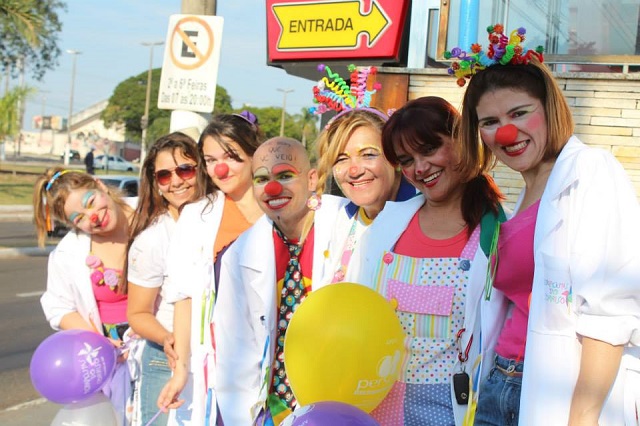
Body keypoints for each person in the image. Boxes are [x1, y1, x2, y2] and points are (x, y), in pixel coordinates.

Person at [454, 24, 640, 425]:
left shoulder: (590, 172)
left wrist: (582, 418)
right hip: (500, 384)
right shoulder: (526, 191)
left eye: (519, 113)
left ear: (548, 109)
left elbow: (611, 314)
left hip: (555, 392)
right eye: (489, 122)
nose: (506, 131)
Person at [348, 96, 505, 425]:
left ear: (460, 141)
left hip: (454, 410)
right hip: (374, 404)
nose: (420, 168)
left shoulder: (498, 232)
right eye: (406, 160)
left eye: (430, 149)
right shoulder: (385, 228)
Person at [211, 137, 349, 425]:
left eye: (285, 175)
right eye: (262, 179)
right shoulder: (239, 253)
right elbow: (234, 352)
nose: (272, 189)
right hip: (273, 408)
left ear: (312, 179)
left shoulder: (349, 225)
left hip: (341, 401)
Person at [157, 112, 264, 425]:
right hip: (221, 364)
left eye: (231, 156)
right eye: (210, 158)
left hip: (276, 358)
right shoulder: (197, 217)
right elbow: (184, 297)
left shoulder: (281, 209)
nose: (220, 168)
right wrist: (180, 373)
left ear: (254, 153)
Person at [33, 167, 136, 424]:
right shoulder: (68, 253)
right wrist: (100, 343)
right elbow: (59, 307)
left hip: (163, 347)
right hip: (116, 362)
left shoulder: (153, 214)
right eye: (79, 218)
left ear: (100, 185)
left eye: (91, 202)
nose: (93, 217)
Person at [126, 132, 214, 425]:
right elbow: (138, 313)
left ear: (202, 169)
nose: (176, 181)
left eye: (185, 169)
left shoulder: (224, 216)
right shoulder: (152, 239)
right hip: (167, 359)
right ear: (155, 183)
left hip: (217, 357)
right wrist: (168, 339)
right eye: (164, 175)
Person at [314, 107, 416, 284]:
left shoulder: (425, 219)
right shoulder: (338, 222)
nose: (354, 171)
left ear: (395, 158)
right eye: (341, 159)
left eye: (368, 155)